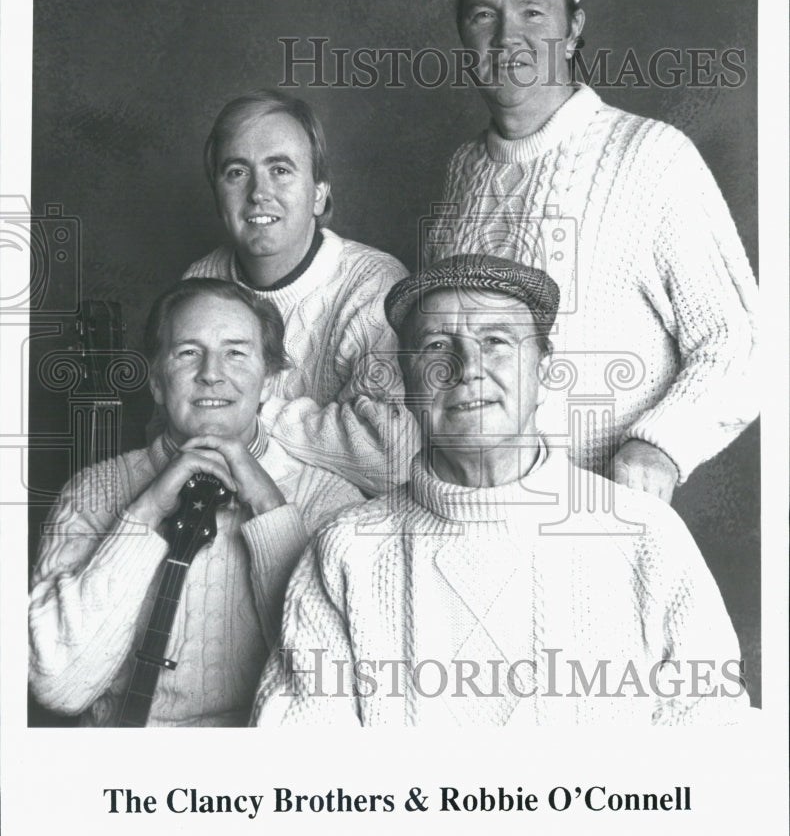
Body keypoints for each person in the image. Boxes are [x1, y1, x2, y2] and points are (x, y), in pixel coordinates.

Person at [251, 256, 748, 726]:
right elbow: (300, 758)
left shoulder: (647, 536)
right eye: (436, 346)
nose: (468, 367)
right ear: (406, 382)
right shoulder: (345, 551)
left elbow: (712, 737)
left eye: (496, 341)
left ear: (545, 370)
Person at [427, 0, 758, 501]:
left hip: (603, 522)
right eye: (484, 16)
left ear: (573, 29)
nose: (509, 39)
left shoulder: (651, 155)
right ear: (463, 34)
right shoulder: (460, 171)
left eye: (533, 12)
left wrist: (659, 444)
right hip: (470, 514)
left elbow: (744, 343)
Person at [28, 278, 363, 727]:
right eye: (188, 352)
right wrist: (142, 514)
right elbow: (57, 687)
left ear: (269, 381)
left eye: (236, 353)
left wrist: (270, 510)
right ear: (156, 383)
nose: (211, 373)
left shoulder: (332, 501)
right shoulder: (92, 491)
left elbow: (332, 693)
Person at [184, 89, 415, 495]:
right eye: (237, 172)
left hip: (336, 530)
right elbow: (170, 430)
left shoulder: (373, 284)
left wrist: (252, 412)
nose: (258, 192)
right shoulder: (199, 282)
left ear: (319, 192)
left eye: (281, 170)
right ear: (217, 194)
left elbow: (393, 456)